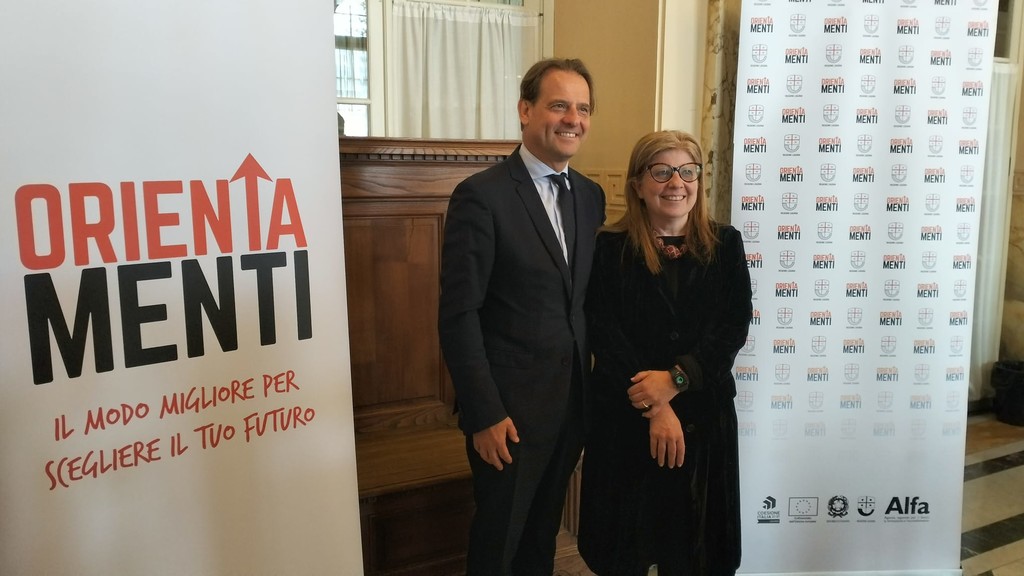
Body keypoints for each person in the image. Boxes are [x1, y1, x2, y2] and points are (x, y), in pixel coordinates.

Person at [438, 58, 606, 576]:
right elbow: (459, 316)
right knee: (499, 545)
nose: (573, 119)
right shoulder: (481, 196)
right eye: (559, 105)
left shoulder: (591, 196)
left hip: (569, 406)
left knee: (541, 540)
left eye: (583, 108)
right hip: (507, 417)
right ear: (525, 110)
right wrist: (484, 413)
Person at [577, 130, 752, 576]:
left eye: (687, 171)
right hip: (626, 420)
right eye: (662, 171)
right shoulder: (607, 248)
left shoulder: (726, 245)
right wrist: (655, 405)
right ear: (637, 184)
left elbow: (732, 329)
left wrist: (676, 380)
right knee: (625, 553)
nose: (676, 182)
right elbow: (605, 334)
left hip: (703, 425)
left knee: (695, 556)